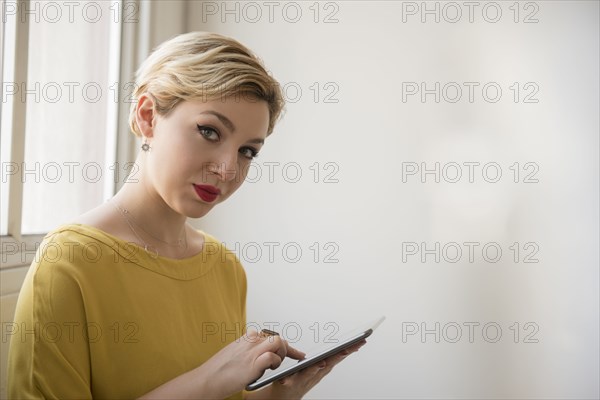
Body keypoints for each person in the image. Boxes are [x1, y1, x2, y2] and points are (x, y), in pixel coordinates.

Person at [7, 31, 364, 399]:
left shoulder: (224, 267)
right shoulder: (68, 264)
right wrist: (208, 380)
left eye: (247, 151)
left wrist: (275, 396)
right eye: (209, 131)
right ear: (147, 117)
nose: (227, 170)